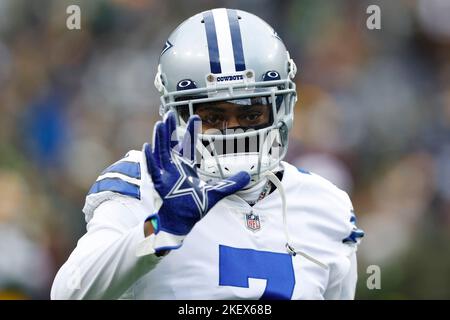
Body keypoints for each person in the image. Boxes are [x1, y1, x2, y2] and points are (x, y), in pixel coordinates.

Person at [51, 8, 363, 300]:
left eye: (251, 114)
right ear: (177, 115)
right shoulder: (143, 181)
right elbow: (69, 291)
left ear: (280, 109)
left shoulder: (325, 206)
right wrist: (160, 229)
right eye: (213, 117)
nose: (234, 130)